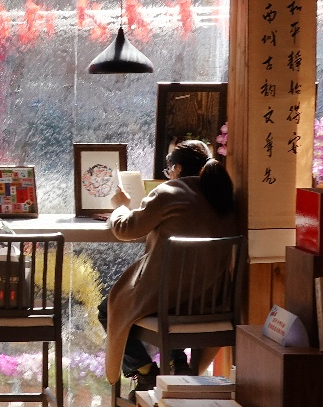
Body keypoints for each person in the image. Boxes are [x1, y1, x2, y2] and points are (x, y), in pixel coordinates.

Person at [101, 139, 238, 393]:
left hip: (168, 303)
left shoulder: (168, 193)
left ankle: (146, 372)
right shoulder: (222, 197)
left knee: (108, 309)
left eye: (169, 170)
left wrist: (120, 206)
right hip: (211, 302)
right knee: (173, 295)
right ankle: (179, 363)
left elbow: (126, 229)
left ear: (177, 168)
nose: (168, 175)